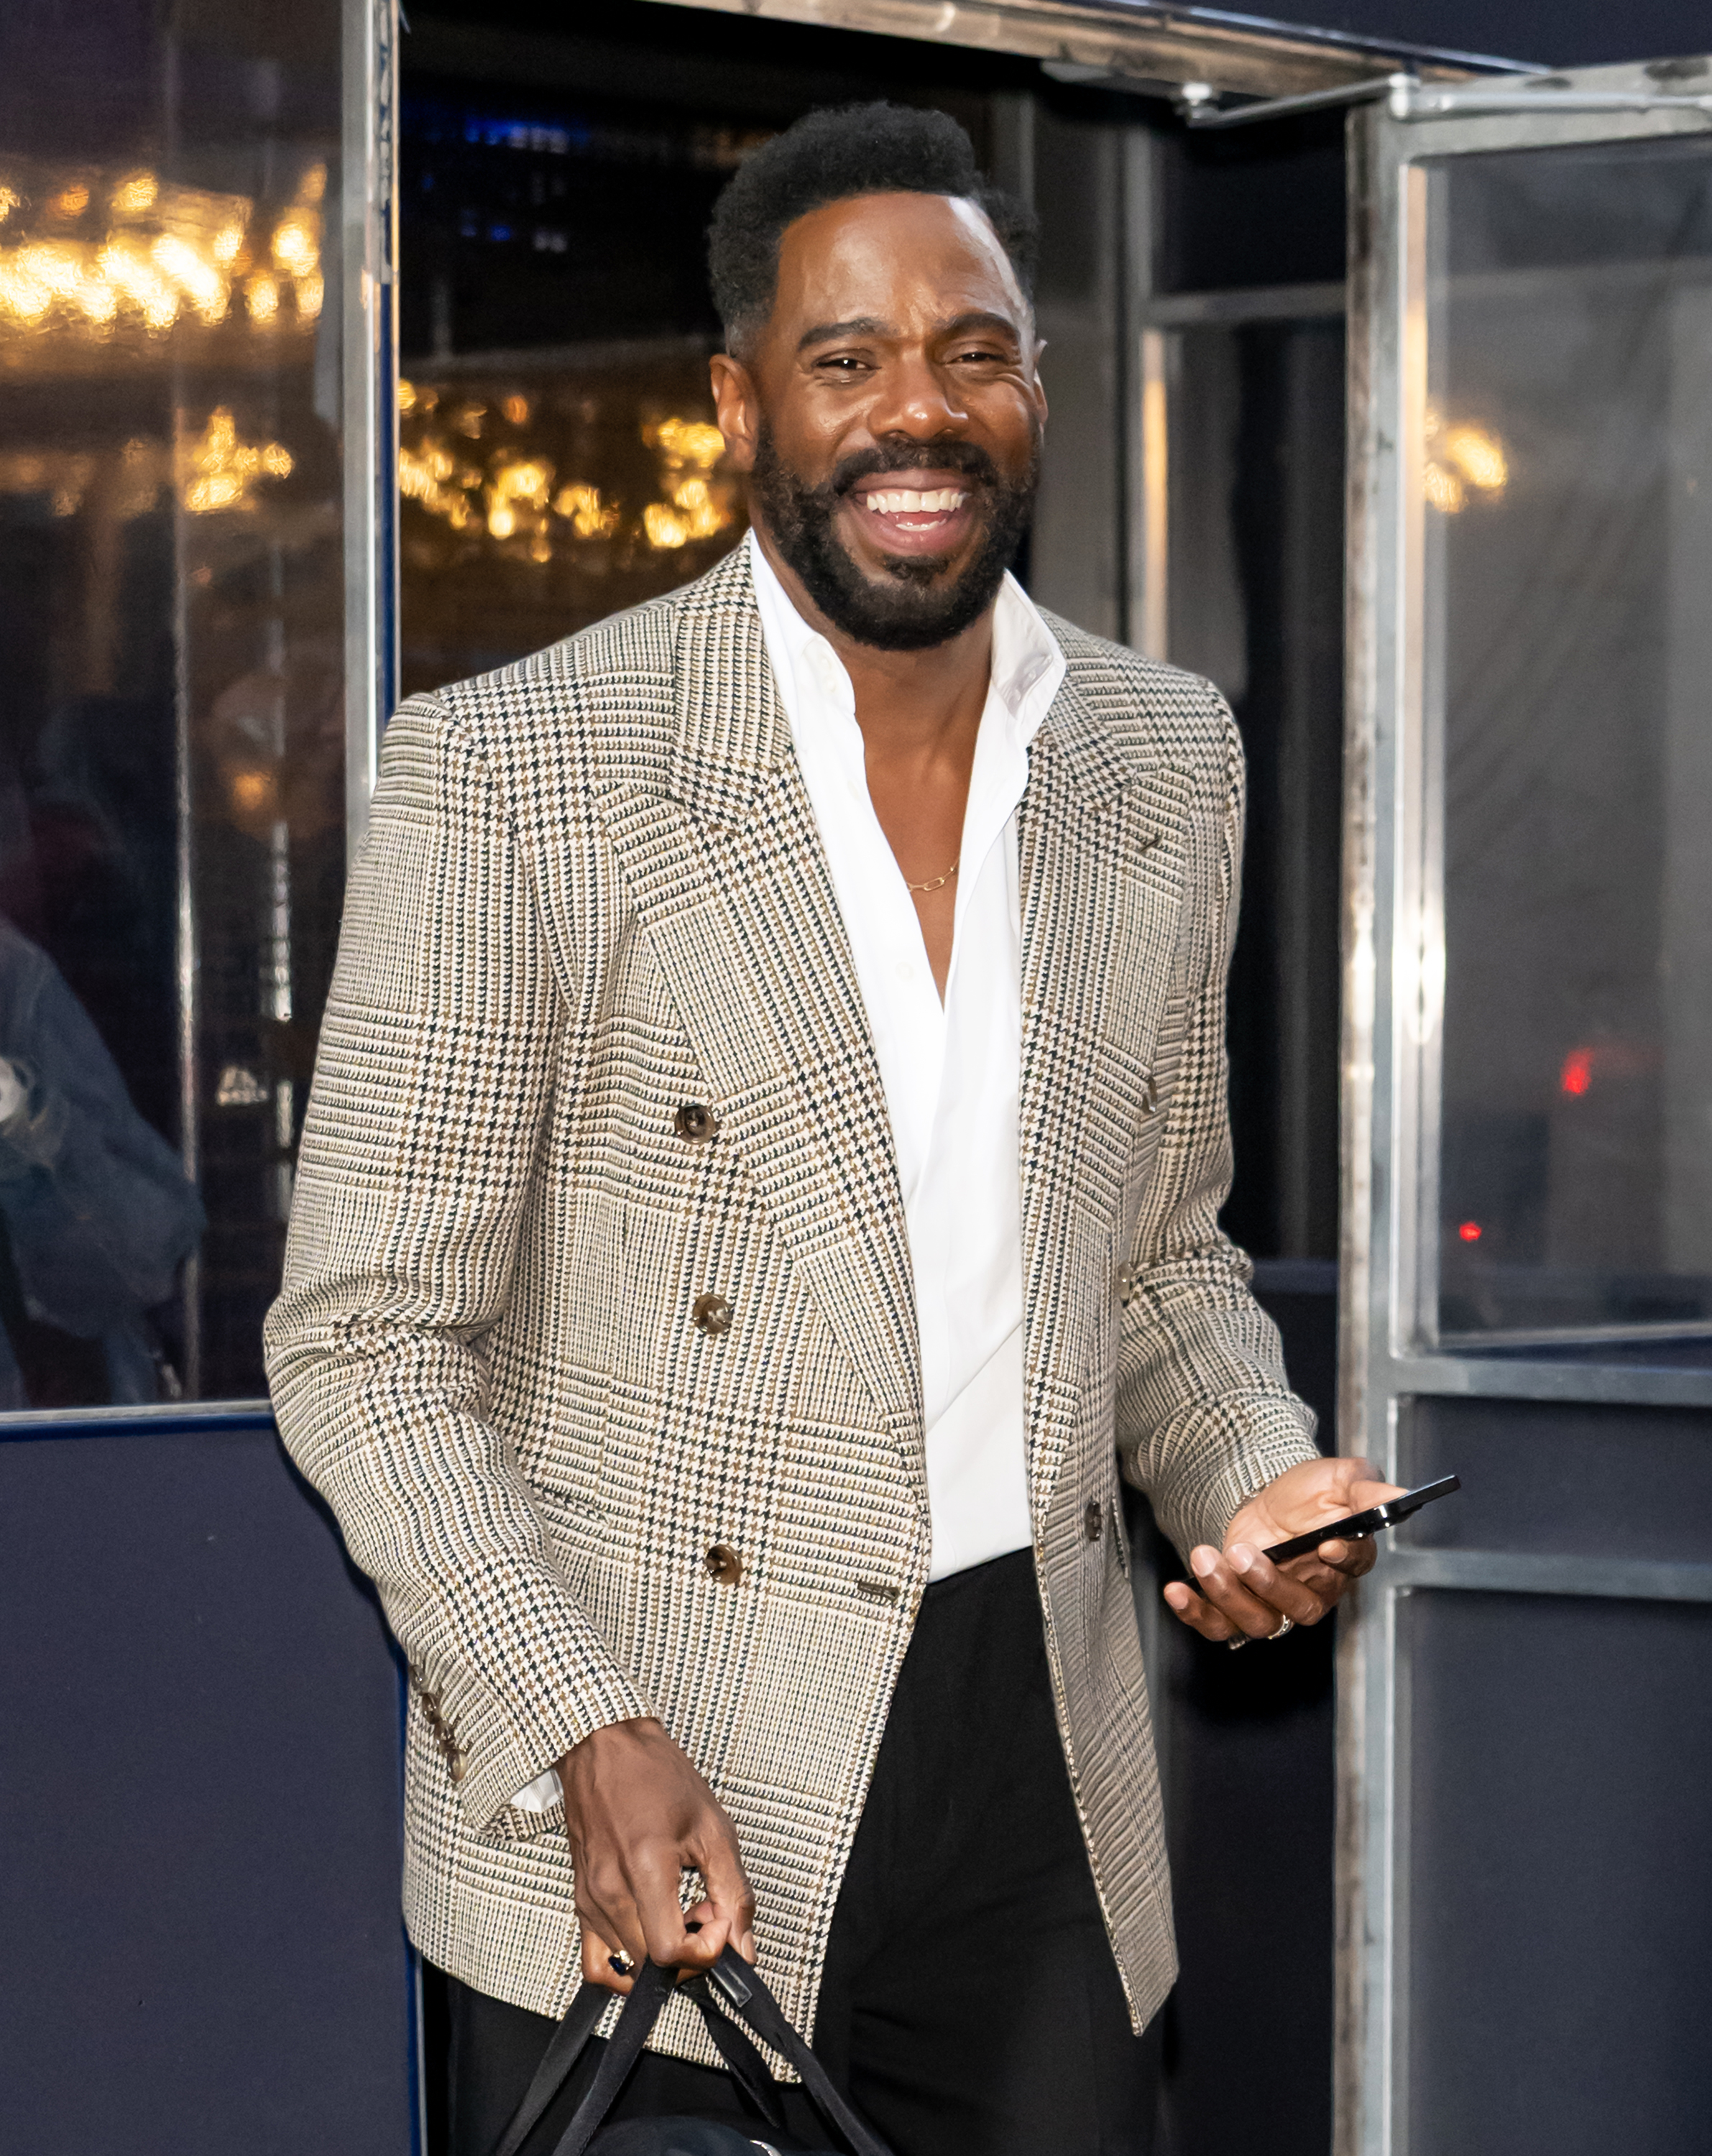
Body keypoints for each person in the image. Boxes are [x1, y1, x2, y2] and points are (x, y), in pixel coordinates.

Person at [265, 102, 1400, 2156]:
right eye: (847, 356)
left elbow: (1154, 1256)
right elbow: (363, 1340)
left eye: (972, 349)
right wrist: (577, 1726)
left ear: (1035, 385)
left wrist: (1250, 1473)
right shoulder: (521, 770)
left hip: (1040, 1762)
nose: (919, 411)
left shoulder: (1161, 754)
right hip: (661, 1759)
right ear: (736, 404)